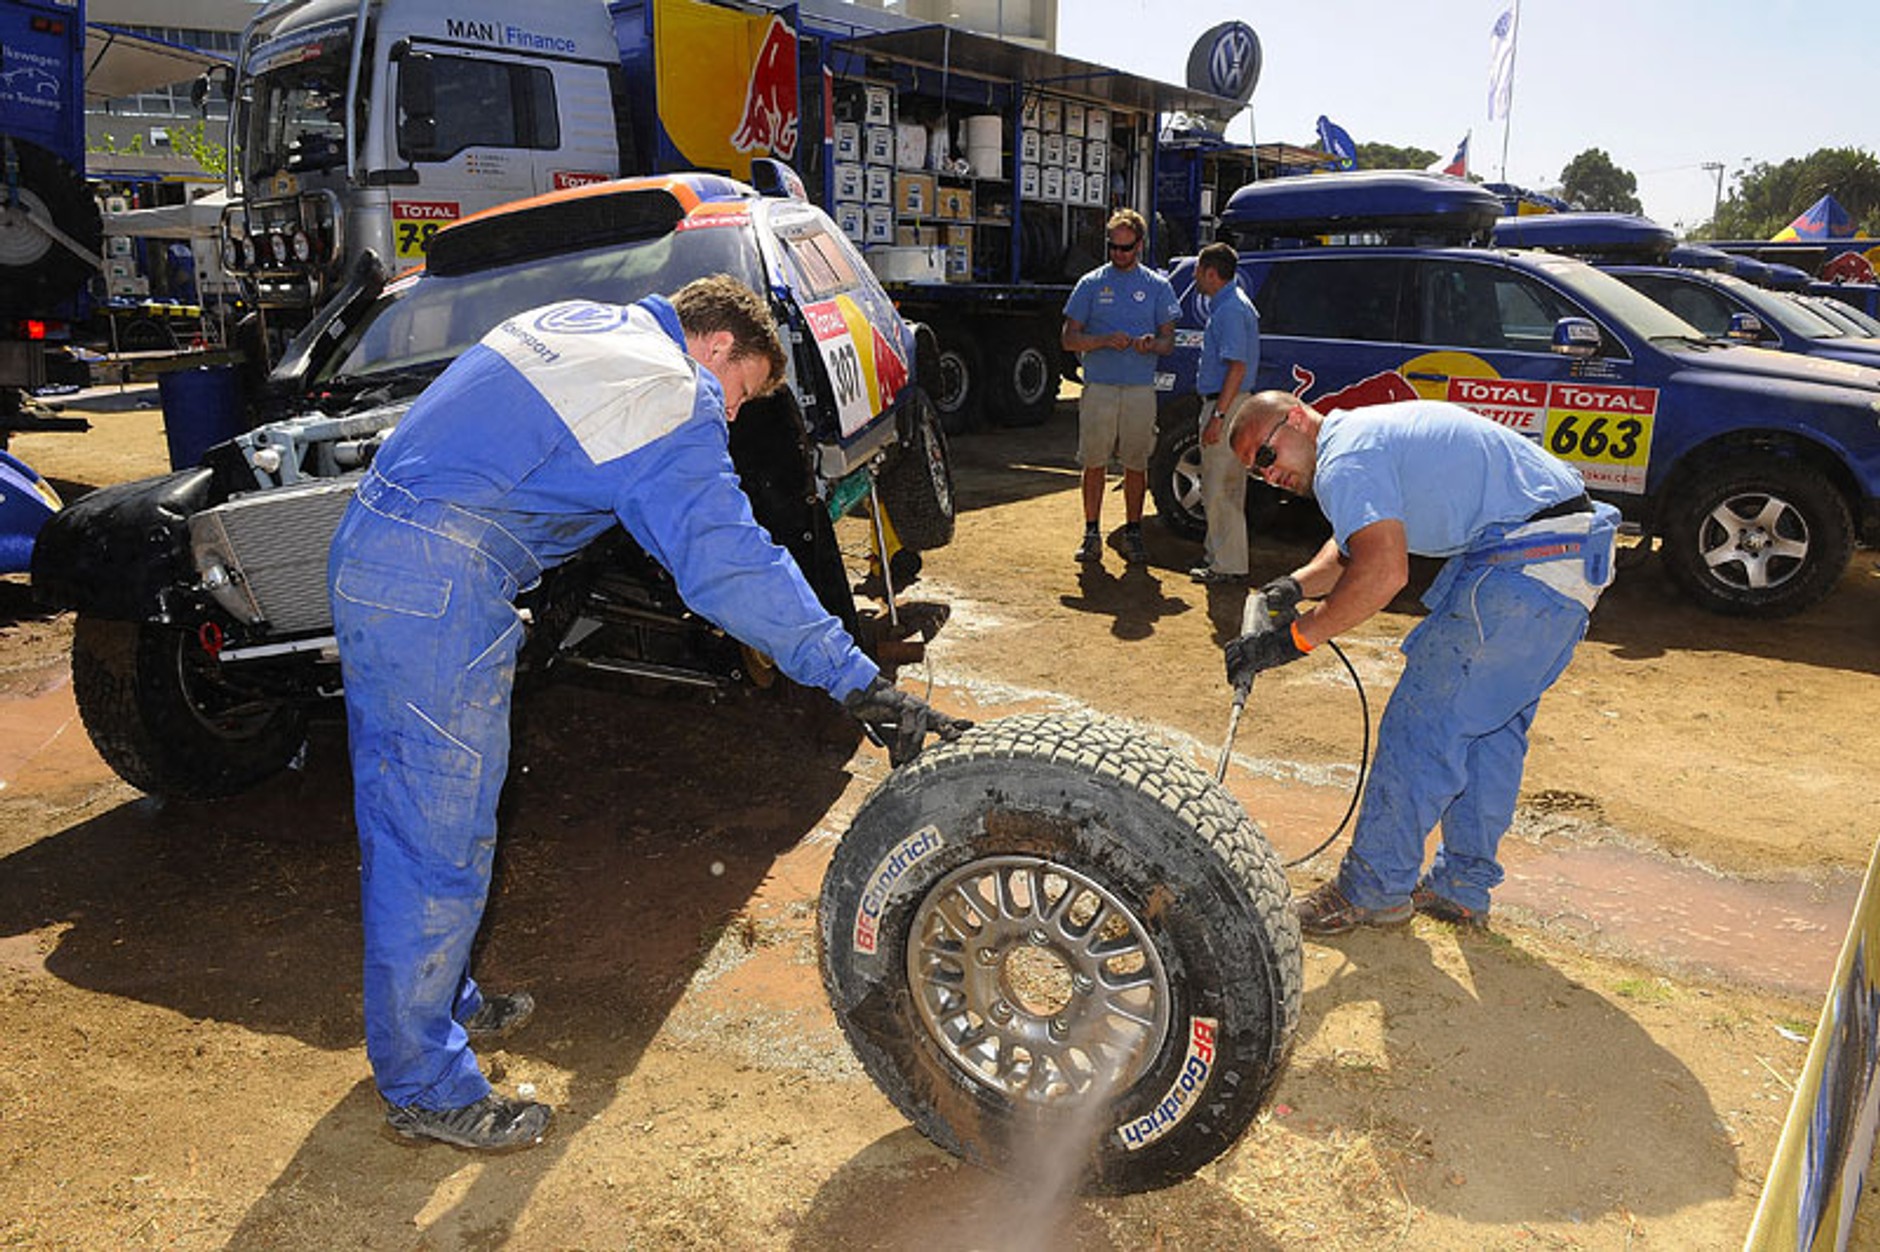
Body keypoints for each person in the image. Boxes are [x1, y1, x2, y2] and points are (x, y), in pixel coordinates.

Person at [326, 275, 970, 1151]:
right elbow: (724, 560)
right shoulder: (672, 385)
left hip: (385, 548)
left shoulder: (576, 316)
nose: (731, 418)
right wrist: (855, 679)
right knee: (435, 830)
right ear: (715, 348)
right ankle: (424, 1083)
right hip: (434, 581)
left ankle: (444, 1005)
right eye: (742, 393)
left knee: (423, 805)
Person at [1220, 392, 1619, 936]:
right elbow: (1351, 547)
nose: (1270, 477)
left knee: (1422, 726)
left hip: (1525, 565)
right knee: (1488, 733)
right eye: (1257, 475)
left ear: (1294, 419)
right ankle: (1461, 888)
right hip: (1563, 563)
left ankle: (1372, 889)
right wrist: (1293, 587)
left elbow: (1383, 572)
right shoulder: (1361, 440)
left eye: (1266, 458)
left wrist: (1295, 639)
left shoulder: (1344, 456)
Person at [1061, 208, 1180, 566]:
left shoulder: (1158, 287)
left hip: (1140, 390)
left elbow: (1168, 342)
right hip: (1099, 387)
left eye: (1126, 248)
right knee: (1094, 461)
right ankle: (1091, 531)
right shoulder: (1091, 284)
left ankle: (1132, 532)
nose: (1119, 254)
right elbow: (1068, 339)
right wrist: (1101, 341)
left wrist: (1150, 344)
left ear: (1140, 246)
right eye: (1113, 247)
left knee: (1135, 464)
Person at [1187, 242, 1260, 585]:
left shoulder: (1229, 309)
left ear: (1211, 273)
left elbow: (1236, 367)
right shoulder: (1234, 304)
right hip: (1234, 403)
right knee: (1227, 487)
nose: (1195, 277)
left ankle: (1225, 565)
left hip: (1226, 404)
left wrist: (1218, 416)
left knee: (1219, 487)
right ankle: (1224, 560)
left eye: (1199, 271)